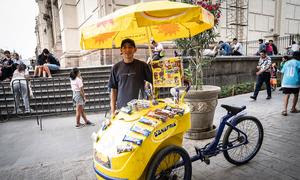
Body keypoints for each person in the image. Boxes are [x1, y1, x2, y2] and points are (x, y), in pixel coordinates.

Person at [108, 38, 152, 116]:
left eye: (130, 47)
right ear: (121, 50)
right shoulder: (116, 68)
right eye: (124, 47)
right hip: (122, 109)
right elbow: (113, 90)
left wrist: (154, 68)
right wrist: (113, 111)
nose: (127, 50)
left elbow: (154, 82)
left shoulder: (142, 65)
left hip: (140, 108)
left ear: (135, 49)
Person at [280, 51, 300, 116]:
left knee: (286, 95)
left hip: (286, 82)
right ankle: (293, 108)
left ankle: (284, 110)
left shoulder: (286, 62)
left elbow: (282, 72)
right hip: (295, 82)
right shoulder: (299, 63)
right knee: (296, 95)